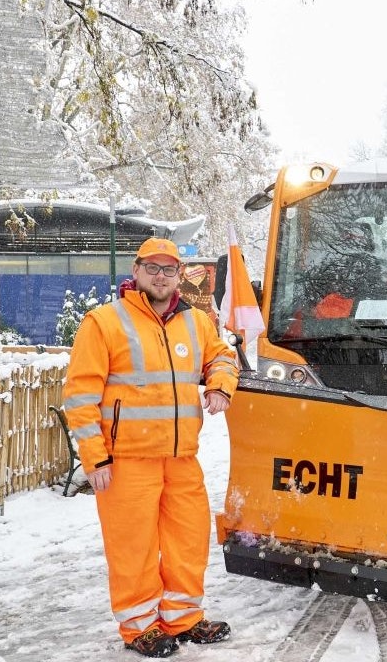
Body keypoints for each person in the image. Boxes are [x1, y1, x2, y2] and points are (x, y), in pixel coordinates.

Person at [63, 237, 240, 658]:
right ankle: (140, 626)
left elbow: (223, 358)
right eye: (153, 269)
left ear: (180, 275)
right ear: (137, 271)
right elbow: (80, 395)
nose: (161, 277)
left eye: (169, 269)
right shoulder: (104, 322)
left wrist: (220, 385)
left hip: (181, 458)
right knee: (133, 547)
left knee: (189, 540)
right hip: (126, 463)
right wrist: (94, 457)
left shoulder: (196, 322)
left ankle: (183, 618)